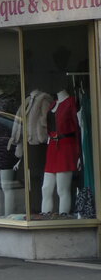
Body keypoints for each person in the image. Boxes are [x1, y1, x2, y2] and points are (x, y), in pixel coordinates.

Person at [42, 88, 81, 217]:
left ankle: (63, 216)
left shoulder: (71, 101)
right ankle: (45, 215)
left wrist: (79, 153)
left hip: (66, 147)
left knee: (62, 189)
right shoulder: (53, 103)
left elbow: (78, 128)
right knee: (46, 188)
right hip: (52, 146)